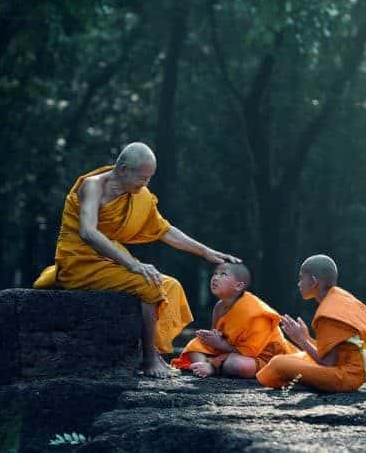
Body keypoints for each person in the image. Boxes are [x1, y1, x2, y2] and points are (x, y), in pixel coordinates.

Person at [34, 142, 240, 378]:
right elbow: (88, 233)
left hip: (110, 257)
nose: (146, 184)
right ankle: (149, 358)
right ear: (122, 170)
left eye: (149, 178)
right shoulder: (93, 186)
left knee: (170, 285)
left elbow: (164, 230)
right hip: (79, 260)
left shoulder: (139, 195)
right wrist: (132, 264)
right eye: (142, 178)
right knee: (149, 283)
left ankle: (151, 350)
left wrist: (204, 251)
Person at [256, 254, 366, 396]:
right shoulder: (343, 297)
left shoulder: (327, 313)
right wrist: (307, 338)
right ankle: (308, 381)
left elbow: (327, 363)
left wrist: (301, 339)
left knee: (278, 363)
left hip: (356, 377)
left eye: (301, 278)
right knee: (299, 356)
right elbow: (340, 349)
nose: (298, 283)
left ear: (314, 280)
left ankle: (308, 385)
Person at [170, 262, 297, 378]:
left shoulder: (255, 312)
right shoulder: (219, 307)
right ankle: (203, 366)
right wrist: (212, 337)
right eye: (215, 274)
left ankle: (212, 367)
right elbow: (218, 336)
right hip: (230, 350)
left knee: (236, 365)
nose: (215, 278)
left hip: (263, 358)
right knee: (195, 345)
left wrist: (219, 344)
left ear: (238, 286)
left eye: (223, 274)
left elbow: (250, 352)